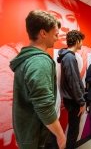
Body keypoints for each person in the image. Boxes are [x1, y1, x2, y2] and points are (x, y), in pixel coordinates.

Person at [9, 10, 66, 149]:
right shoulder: (39, 61)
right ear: (43, 33)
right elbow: (44, 106)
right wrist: (60, 135)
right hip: (34, 138)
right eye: (55, 33)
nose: (57, 37)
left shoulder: (28, 58)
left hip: (27, 132)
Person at [57, 30, 86, 149]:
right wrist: (81, 102)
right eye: (81, 41)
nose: (82, 44)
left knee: (73, 128)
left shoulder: (69, 56)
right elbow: (73, 83)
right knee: (74, 130)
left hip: (73, 99)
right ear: (77, 41)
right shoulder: (69, 57)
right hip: (74, 101)